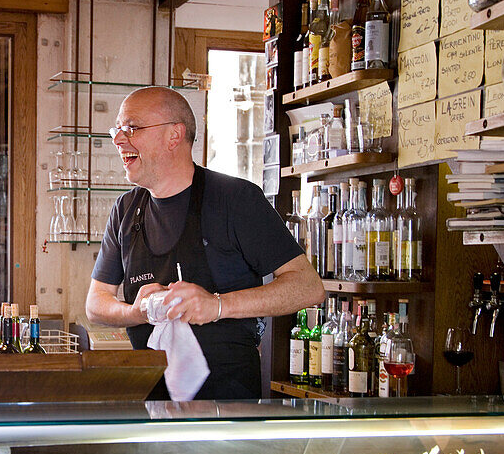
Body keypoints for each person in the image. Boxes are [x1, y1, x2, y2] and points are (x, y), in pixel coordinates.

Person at [85, 86, 326, 400]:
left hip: (226, 408)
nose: (118, 139)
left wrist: (218, 305)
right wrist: (138, 311)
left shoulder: (236, 199)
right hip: (149, 400)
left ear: (174, 135)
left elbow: (308, 287)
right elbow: (96, 303)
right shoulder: (126, 210)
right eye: (117, 129)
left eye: (131, 128)